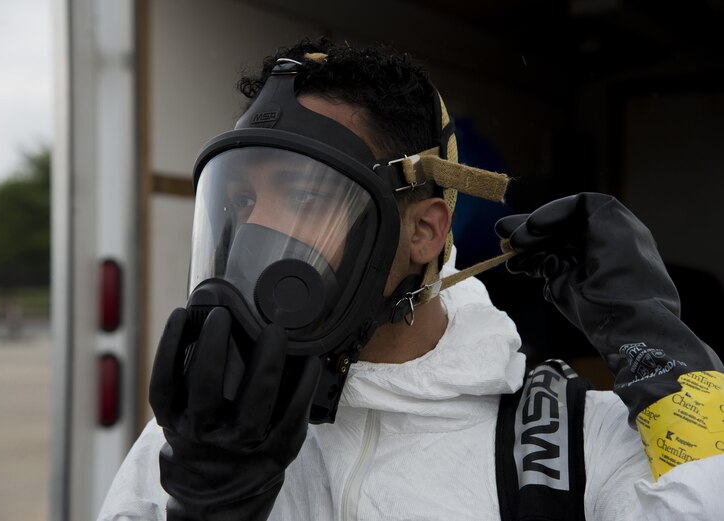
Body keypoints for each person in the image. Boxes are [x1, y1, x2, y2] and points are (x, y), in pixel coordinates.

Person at [98, 37, 724, 521]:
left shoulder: (567, 446)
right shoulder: (206, 435)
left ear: (424, 230)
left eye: (301, 194)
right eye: (239, 200)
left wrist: (668, 363)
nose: (256, 228)